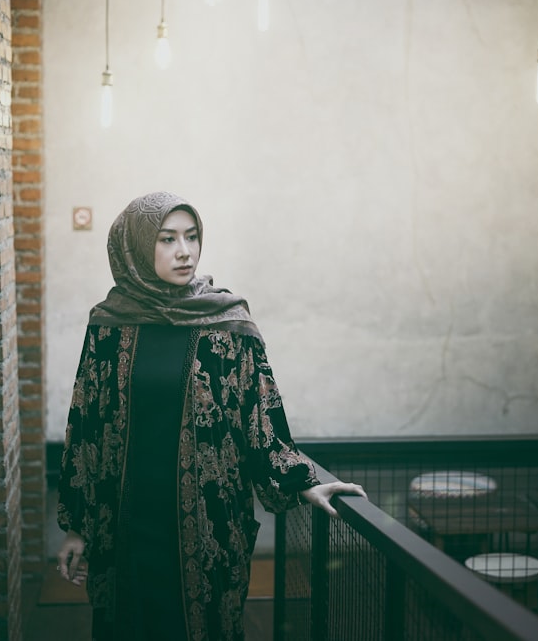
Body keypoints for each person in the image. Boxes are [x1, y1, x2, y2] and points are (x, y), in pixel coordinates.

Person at [55, 191, 366, 640]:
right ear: (137, 248)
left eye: (192, 236)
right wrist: (76, 527)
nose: (184, 251)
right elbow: (85, 428)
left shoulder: (226, 321)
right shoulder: (109, 325)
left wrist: (304, 483)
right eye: (167, 239)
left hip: (209, 527)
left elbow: (261, 420)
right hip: (125, 523)